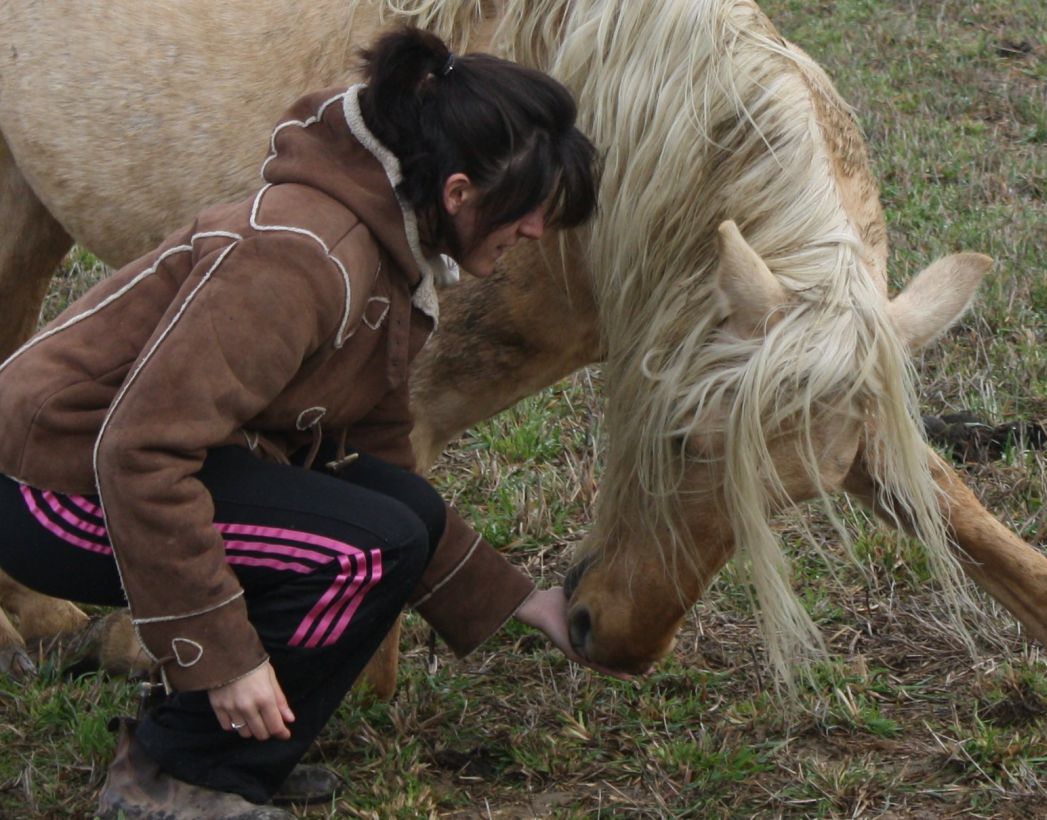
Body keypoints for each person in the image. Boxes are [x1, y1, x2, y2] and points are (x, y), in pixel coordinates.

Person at [0, 27, 606, 818]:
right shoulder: (299, 257)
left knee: (400, 517)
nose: (535, 233)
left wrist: (521, 602)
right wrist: (222, 658)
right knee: (362, 551)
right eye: (529, 212)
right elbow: (138, 452)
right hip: (53, 489)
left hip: (116, 466)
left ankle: (221, 754)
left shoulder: (390, 254)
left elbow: (372, 462)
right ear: (459, 193)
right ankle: (173, 775)